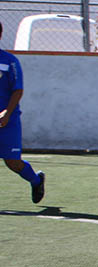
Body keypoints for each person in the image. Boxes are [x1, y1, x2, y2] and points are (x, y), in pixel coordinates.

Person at [0, 21, 46, 203]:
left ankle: (36, 180)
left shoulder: (10, 61)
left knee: (12, 162)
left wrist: (6, 113)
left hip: (8, 121)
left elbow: (18, 90)